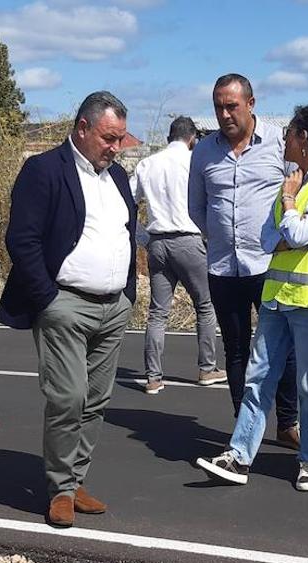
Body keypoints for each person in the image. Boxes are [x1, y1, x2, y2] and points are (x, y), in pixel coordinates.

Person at [0, 91, 137, 529]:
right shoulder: (44, 171)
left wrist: (129, 294)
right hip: (65, 305)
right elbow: (22, 240)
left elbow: (128, 233)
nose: (115, 148)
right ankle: (59, 488)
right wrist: (49, 299)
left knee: (96, 400)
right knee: (68, 398)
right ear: (82, 128)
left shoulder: (117, 178)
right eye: (108, 138)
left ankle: (75, 482)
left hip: (113, 307)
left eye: (120, 140)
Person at [197, 105, 308, 491]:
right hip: (278, 296)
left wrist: (288, 207)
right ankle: (239, 456)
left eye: (289, 133)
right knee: (258, 377)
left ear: (304, 139)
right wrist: (288, 225)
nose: (283, 139)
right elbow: (267, 238)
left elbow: (298, 234)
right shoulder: (292, 180)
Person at [189, 73, 301, 449]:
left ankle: (288, 423)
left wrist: (281, 238)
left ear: (251, 104)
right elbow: (196, 207)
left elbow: (296, 194)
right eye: (218, 106)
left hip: (269, 264)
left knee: (280, 347)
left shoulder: (278, 142)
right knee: (235, 348)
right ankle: (244, 426)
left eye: (231, 106)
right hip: (223, 266)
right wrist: (220, 235)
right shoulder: (204, 150)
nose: (224, 114)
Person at [131, 115, 225, 394]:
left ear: (168, 137)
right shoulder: (195, 161)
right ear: (192, 138)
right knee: (205, 305)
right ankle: (207, 368)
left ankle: (153, 377)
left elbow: (127, 202)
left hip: (157, 241)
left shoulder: (147, 164)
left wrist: (142, 236)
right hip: (188, 239)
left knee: (158, 312)